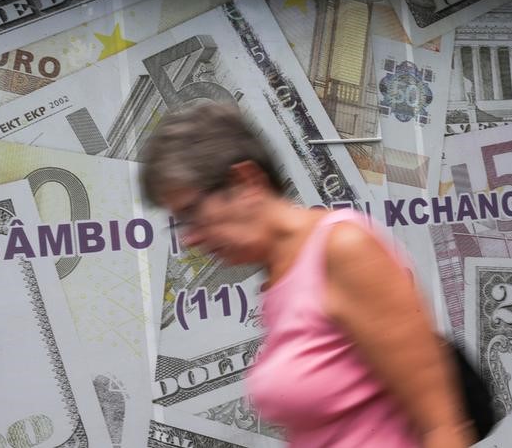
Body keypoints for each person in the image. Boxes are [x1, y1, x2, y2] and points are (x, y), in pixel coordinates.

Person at [139, 103, 474, 448]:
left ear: (245, 181)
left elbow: (442, 427)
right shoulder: (279, 278)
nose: (189, 238)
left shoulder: (343, 249)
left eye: (192, 213)